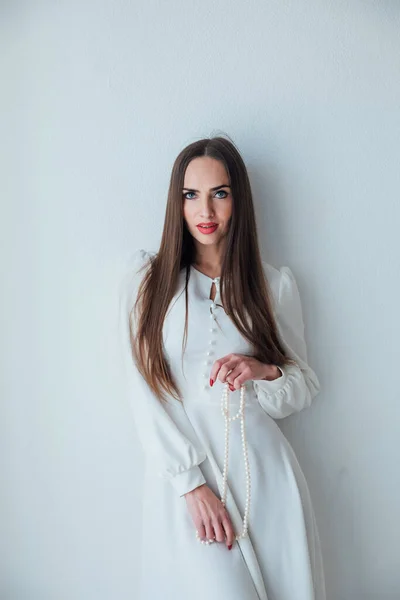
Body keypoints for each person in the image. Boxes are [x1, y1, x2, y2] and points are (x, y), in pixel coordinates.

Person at [118, 136, 326, 600]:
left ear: (239, 200)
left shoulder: (272, 286)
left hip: (263, 482)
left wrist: (264, 371)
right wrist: (191, 485)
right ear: (177, 201)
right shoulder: (147, 285)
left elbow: (303, 385)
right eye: (191, 194)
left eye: (220, 193)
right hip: (185, 485)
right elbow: (142, 391)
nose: (205, 209)